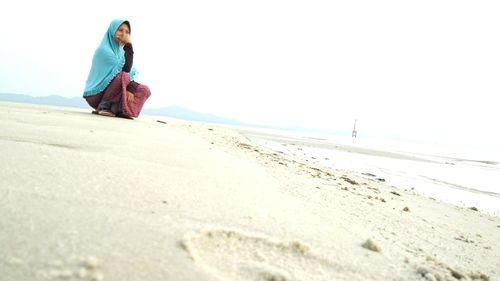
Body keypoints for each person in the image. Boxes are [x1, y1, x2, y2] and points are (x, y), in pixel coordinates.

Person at [83, 19, 151, 118]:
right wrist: (129, 45)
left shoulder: (122, 53)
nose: (124, 34)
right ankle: (103, 107)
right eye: (120, 30)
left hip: (117, 93)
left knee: (144, 89)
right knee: (123, 75)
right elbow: (125, 69)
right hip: (97, 95)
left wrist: (131, 87)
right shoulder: (104, 50)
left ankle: (122, 110)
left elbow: (133, 73)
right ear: (112, 31)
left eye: (127, 32)